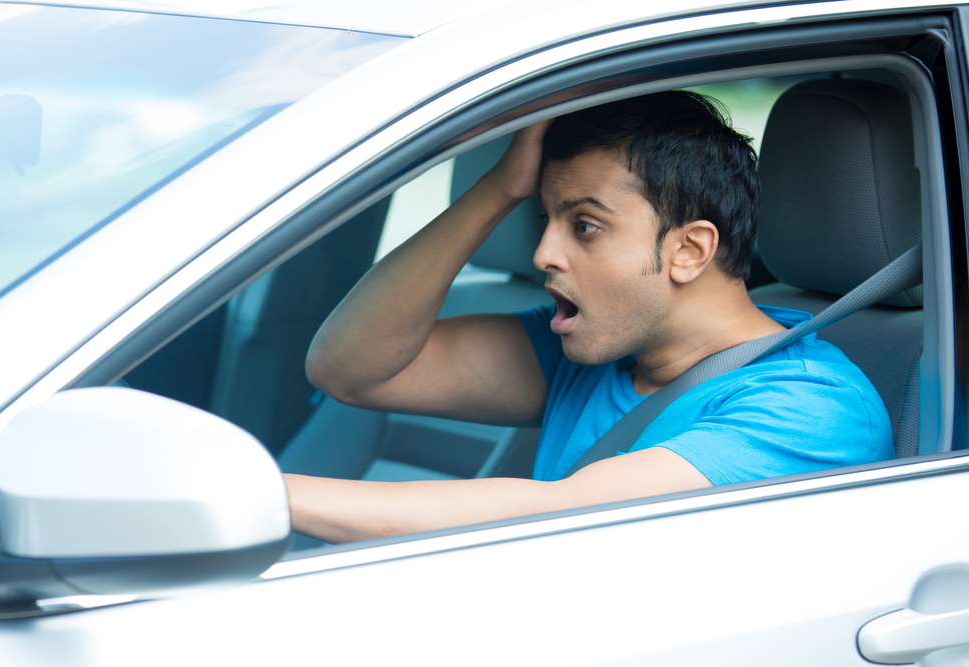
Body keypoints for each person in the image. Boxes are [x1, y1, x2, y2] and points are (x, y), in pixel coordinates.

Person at [285, 91, 893, 544]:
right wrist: (498, 188)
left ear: (689, 250)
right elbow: (348, 369)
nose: (543, 254)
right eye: (543, 219)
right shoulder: (599, 349)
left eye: (584, 226)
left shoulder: (812, 409)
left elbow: (556, 517)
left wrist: (256, 495)